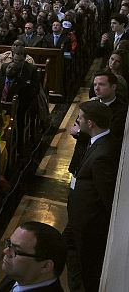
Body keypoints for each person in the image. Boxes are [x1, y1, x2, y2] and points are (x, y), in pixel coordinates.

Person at [65, 100, 119, 292]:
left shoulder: (102, 154)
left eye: (80, 118)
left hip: (88, 226)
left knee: (87, 270)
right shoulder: (98, 141)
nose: (77, 121)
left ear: (91, 123)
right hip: (78, 220)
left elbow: (107, 198)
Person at [0, 221, 67, 292]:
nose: (5, 251)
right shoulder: (20, 275)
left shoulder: (21, 273)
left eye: (17, 250)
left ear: (45, 266)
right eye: (9, 243)